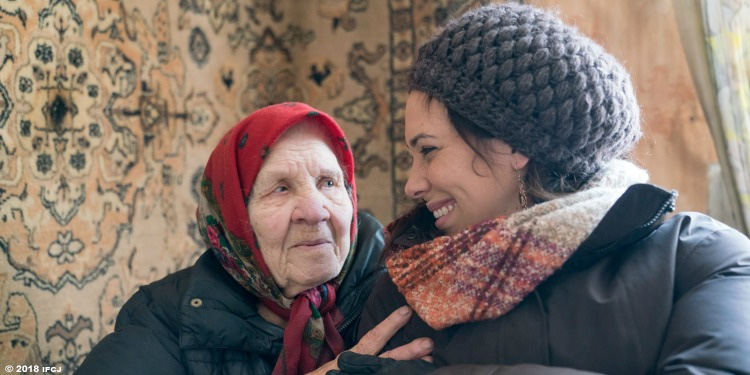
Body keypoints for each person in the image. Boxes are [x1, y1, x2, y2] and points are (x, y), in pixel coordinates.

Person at [333, 3, 750, 375]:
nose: (412, 184)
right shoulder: (406, 292)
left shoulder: (704, 259)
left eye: (428, 149)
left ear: (513, 144)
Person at [76, 103, 433, 375]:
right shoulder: (165, 318)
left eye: (328, 182)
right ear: (233, 218)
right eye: (280, 188)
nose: (315, 210)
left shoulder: (407, 277)